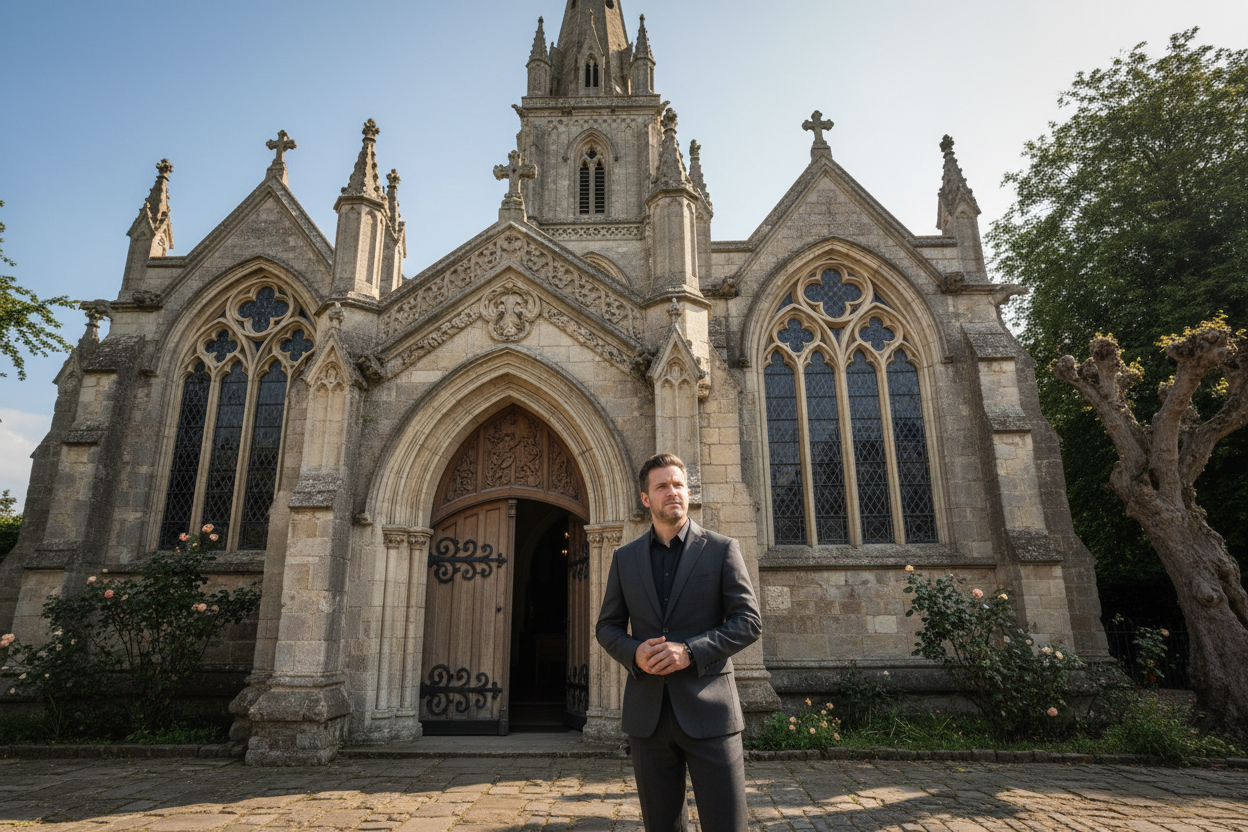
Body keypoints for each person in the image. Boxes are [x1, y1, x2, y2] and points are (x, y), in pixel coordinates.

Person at [596, 453, 762, 831]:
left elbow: (748, 622)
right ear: (645, 498)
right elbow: (607, 626)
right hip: (648, 718)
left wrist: (690, 652)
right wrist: (634, 652)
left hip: (711, 714)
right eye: (662, 486)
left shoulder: (722, 549)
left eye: (679, 485)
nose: (673, 492)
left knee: (727, 824)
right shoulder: (625, 559)